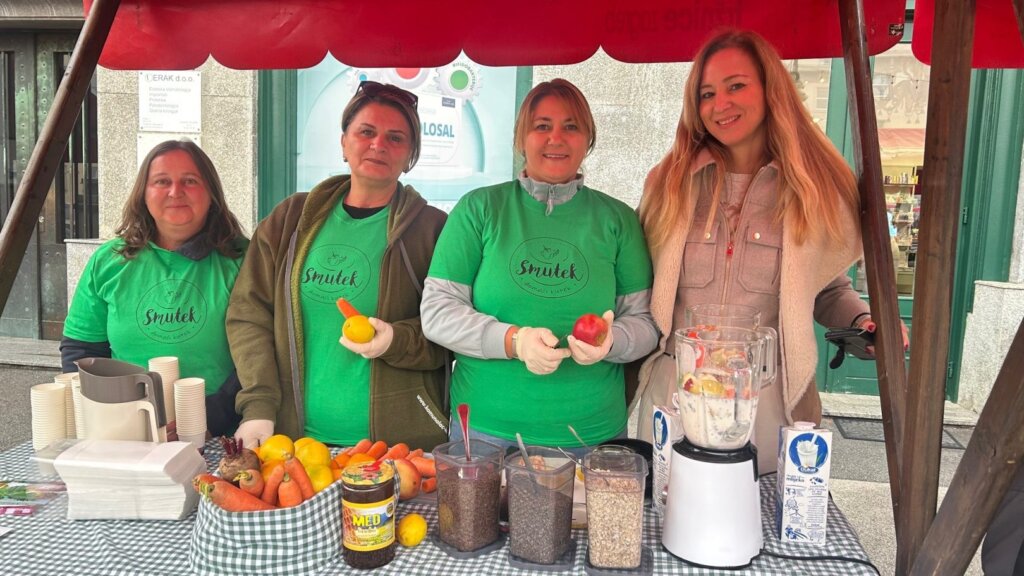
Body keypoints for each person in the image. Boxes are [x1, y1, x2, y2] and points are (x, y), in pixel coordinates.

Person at [632, 29, 907, 473]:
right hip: (675, 400)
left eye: (736, 85)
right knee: (664, 528)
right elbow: (634, 282)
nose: (720, 104)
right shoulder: (668, 185)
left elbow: (825, 289)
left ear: (770, 90)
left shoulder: (811, 191)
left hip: (765, 405)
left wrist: (861, 321)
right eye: (707, 93)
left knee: (756, 533)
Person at [421, 79, 659, 451]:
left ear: (588, 140)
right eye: (542, 126)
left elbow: (645, 322)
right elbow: (437, 312)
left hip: (592, 435)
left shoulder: (618, 220)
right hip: (486, 433)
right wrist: (514, 341)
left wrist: (613, 341)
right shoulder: (479, 209)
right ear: (522, 138)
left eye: (571, 127)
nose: (556, 138)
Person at [227, 81, 449, 451]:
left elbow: (451, 335)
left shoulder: (433, 230)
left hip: (400, 449)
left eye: (396, 138)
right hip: (295, 444)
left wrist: (396, 340)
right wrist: (259, 405)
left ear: (410, 155)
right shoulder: (290, 220)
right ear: (344, 142)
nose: (379, 145)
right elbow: (248, 314)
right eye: (366, 131)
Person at [61, 139, 248, 437]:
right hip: (127, 430)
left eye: (190, 181)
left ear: (211, 193)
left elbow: (262, 352)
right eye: (162, 181)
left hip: (221, 433)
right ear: (143, 195)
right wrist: (104, 415)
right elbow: (82, 351)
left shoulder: (243, 259)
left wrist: (212, 415)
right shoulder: (108, 262)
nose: (176, 192)